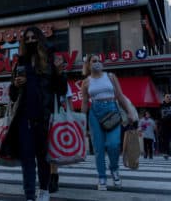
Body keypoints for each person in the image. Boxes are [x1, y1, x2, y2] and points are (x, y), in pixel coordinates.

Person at [10, 26, 67, 201]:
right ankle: (29, 195)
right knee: (27, 159)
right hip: (24, 116)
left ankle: (43, 190)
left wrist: (59, 73)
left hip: (44, 117)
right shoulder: (20, 62)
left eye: (33, 37)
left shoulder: (50, 61)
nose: (30, 41)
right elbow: (12, 95)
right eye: (26, 39)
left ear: (40, 39)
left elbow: (61, 89)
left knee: (43, 158)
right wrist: (16, 85)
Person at [81, 54, 134, 191]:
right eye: (94, 61)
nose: (97, 63)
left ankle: (114, 169)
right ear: (88, 64)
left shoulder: (110, 76)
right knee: (98, 148)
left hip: (112, 110)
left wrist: (129, 112)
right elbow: (85, 102)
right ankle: (102, 176)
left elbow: (120, 96)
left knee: (113, 144)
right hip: (95, 112)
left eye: (99, 61)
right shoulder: (86, 82)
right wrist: (81, 120)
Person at [49, 81, 73, 193]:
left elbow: (68, 99)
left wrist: (72, 118)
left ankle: (53, 177)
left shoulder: (62, 80)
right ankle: (50, 176)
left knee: (53, 148)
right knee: (45, 149)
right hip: (42, 116)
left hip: (57, 116)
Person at [159, 94, 171, 160]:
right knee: (165, 139)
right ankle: (166, 152)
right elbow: (158, 115)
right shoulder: (161, 106)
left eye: (169, 97)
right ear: (164, 98)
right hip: (164, 125)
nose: (169, 98)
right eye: (167, 97)